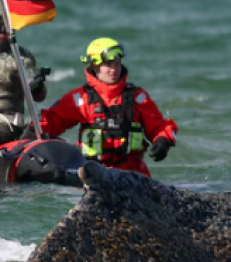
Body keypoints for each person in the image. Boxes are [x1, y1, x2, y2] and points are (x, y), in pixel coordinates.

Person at [30, 37, 178, 177]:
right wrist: (31, 130)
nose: (114, 69)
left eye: (117, 63)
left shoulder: (137, 97)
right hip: (93, 174)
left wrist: (163, 140)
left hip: (133, 174)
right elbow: (52, 121)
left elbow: (159, 126)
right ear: (95, 66)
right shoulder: (81, 98)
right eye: (108, 64)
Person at [0, 32, 48, 144]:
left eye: (4, 26)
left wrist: (36, 86)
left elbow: (39, 96)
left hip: (6, 122)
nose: (2, 29)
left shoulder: (21, 57)